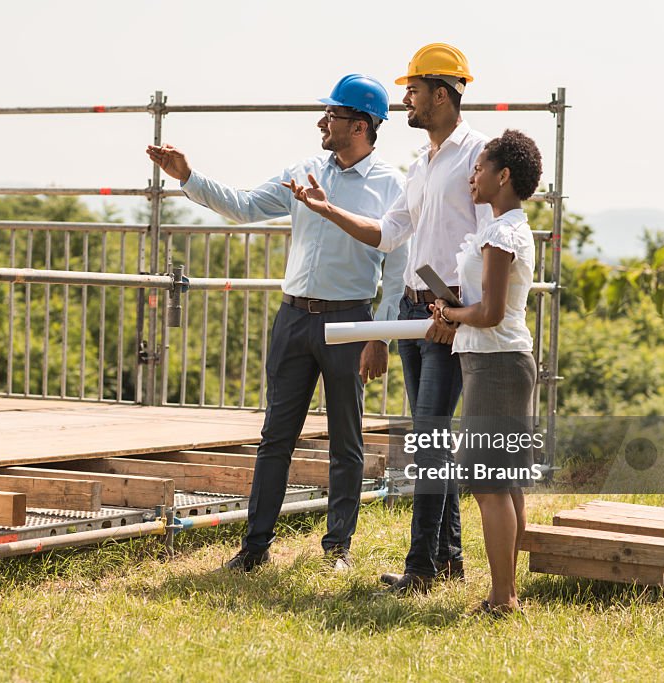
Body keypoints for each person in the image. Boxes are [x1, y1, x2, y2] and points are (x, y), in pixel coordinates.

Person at [146, 74, 408, 572]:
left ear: (359, 125)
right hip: (292, 318)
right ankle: (254, 548)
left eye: (330, 116)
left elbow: (396, 268)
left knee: (346, 440)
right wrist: (189, 177)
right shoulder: (303, 170)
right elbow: (244, 207)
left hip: (350, 322)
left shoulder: (392, 186)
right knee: (275, 437)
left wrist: (381, 335)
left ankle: (338, 549)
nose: (321, 122)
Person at [284, 43, 491, 594]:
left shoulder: (477, 155)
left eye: (414, 91)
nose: (406, 101)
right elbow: (386, 231)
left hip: (447, 314)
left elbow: (489, 239)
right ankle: (448, 560)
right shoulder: (422, 163)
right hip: (410, 310)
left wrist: (461, 310)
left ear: (441, 94)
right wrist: (326, 209)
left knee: (427, 438)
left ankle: (421, 569)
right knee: (433, 439)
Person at [430, 129, 543, 614]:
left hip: (497, 364)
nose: (472, 176)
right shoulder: (506, 228)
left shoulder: (501, 233)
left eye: (479, 168)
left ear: (503, 176)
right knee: (504, 481)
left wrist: (451, 314)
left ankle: (503, 598)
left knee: (488, 483)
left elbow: (492, 312)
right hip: (497, 361)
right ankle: (509, 592)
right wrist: (458, 314)